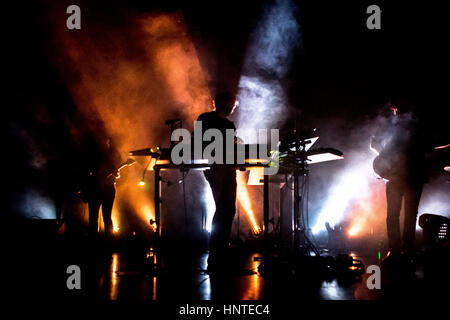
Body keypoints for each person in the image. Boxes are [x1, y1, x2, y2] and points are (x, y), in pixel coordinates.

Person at [371, 96, 431, 259]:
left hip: (410, 175)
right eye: (394, 109)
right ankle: (400, 251)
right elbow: (376, 144)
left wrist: (382, 154)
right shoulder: (396, 126)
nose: (395, 111)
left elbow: (429, 145)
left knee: (402, 215)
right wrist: (382, 154)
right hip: (402, 176)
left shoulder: (416, 126)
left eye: (397, 109)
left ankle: (403, 251)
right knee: (400, 215)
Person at [196, 92, 239, 271]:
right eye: (228, 105)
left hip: (228, 171)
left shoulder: (230, 125)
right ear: (218, 103)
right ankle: (216, 253)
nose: (230, 109)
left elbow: (232, 149)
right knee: (223, 209)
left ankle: (220, 250)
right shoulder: (205, 119)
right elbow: (198, 143)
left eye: (232, 106)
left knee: (228, 210)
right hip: (215, 169)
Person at [82, 134, 122, 242]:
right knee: (98, 218)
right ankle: (100, 241)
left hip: (106, 190)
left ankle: (106, 241)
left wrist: (113, 173)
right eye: (104, 142)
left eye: (107, 142)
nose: (106, 144)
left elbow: (117, 174)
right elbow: (87, 172)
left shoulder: (111, 157)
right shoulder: (94, 156)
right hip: (98, 189)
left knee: (104, 217)